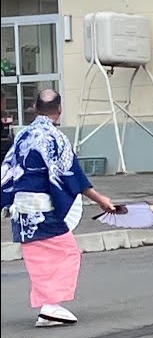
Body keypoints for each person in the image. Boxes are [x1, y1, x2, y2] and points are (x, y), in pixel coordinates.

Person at [1, 90, 118, 328]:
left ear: (34, 107)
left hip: (21, 210)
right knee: (67, 252)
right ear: (60, 110)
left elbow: (7, 170)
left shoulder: (22, 136)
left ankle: (48, 307)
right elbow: (70, 175)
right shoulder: (56, 138)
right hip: (42, 208)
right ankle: (50, 306)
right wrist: (99, 199)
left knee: (39, 257)